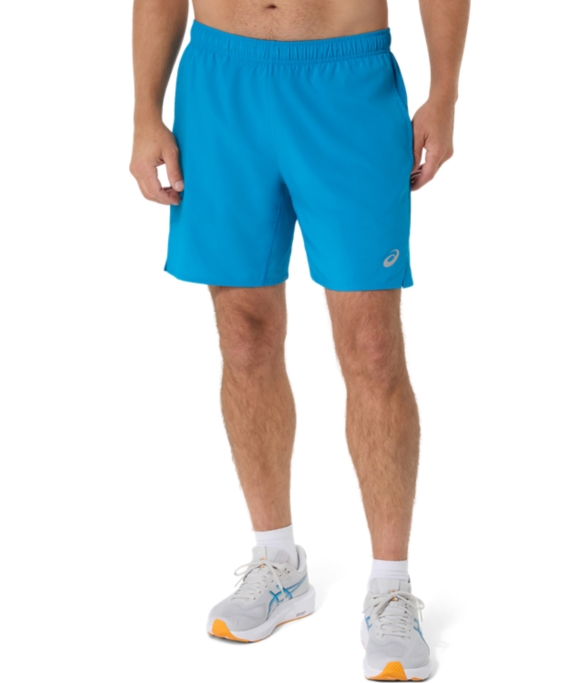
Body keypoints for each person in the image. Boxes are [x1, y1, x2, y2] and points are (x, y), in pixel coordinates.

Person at [130, 0, 469, 679]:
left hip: (346, 82)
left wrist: (444, 93)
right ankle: (277, 561)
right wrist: (145, 110)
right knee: (243, 334)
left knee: (372, 346)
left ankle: (391, 589)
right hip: (221, 81)